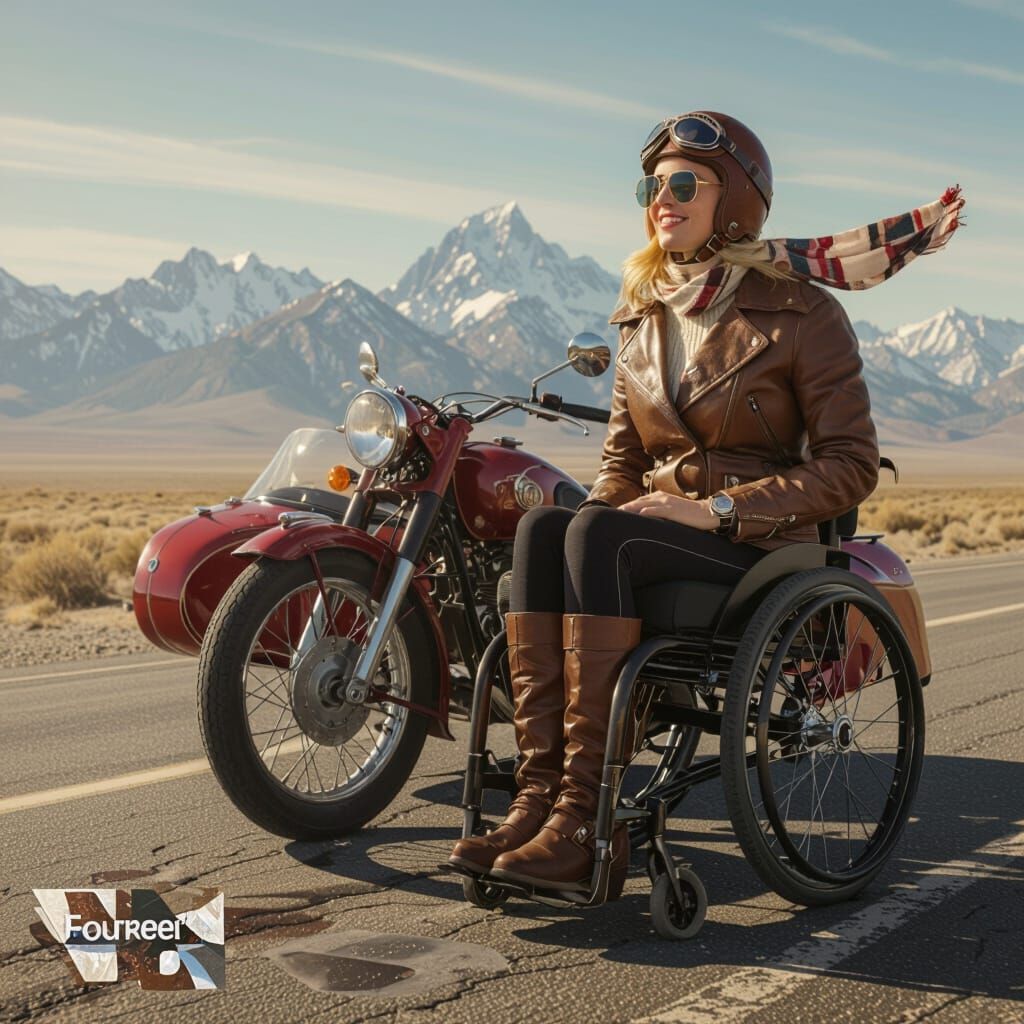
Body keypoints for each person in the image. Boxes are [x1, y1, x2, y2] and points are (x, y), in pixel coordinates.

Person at [448, 110, 966, 896]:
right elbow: (621, 465)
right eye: (652, 187)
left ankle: (585, 824)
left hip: (762, 547)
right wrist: (600, 516)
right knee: (548, 529)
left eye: (684, 184)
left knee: (595, 537)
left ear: (737, 201)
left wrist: (718, 511)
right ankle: (538, 802)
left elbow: (851, 465)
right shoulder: (642, 317)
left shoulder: (804, 313)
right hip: (659, 536)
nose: (662, 199)